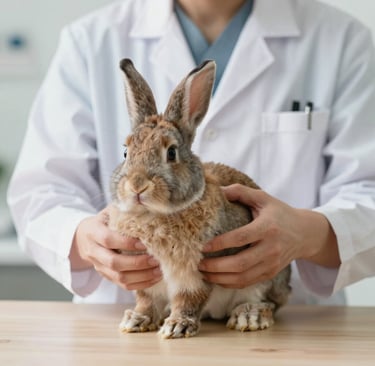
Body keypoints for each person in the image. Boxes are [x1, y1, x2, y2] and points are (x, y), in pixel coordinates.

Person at [7, 0, 375, 305]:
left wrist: (306, 234)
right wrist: (86, 240)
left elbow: (369, 192)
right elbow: (38, 195)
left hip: (284, 330)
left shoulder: (342, 41)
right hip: (125, 336)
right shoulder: (90, 41)